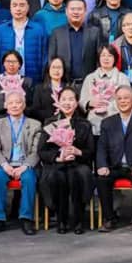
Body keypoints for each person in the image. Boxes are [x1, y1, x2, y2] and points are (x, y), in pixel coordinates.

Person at [37, 87, 95, 234]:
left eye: (71, 99)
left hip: (78, 163)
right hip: (57, 163)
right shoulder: (50, 123)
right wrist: (59, 156)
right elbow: (42, 151)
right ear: (58, 102)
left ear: (76, 103)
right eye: (64, 99)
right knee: (58, 176)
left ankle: (78, 220)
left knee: (79, 175)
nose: (67, 103)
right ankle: (61, 219)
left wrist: (78, 151)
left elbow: (91, 151)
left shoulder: (85, 124)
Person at [96, 86, 132, 232]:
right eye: (119, 98)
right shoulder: (107, 122)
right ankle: (109, 219)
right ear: (115, 101)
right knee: (101, 179)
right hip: (114, 166)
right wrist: (102, 165)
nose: (123, 101)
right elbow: (101, 147)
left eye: (126, 98)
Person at [0, 91, 42, 235]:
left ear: (24, 105)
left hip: (25, 164)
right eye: (11, 103)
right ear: (5, 105)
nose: (14, 105)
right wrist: (4, 165)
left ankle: (26, 218)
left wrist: (25, 166)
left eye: (18, 102)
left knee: (29, 179)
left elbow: (36, 151)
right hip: (5, 163)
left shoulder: (35, 125)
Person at [0, 0, 48, 84]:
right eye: (14, 5)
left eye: (22, 5)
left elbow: (44, 57)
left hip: (33, 80)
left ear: (28, 7)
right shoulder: (1, 30)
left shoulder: (38, 29)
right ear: (10, 8)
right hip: (7, 82)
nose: (18, 9)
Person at [47, 0, 102, 82]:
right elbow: (51, 59)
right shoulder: (57, 33)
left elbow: (99, 60)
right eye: (72, 9)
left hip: (89, 83)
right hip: (64, 83)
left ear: (85, 12)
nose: (76, 12)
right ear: (66, 11)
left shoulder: (95, 32)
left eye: (79, 9)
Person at [81, 45, 131, 135]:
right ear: (98, 58)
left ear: (115, 58)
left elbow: (128, 101)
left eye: (110, 55)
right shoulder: (90, 78)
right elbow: (82, 101)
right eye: (103, 55)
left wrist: (108, 106)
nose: (106, 58)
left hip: (116, 124)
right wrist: (89, 103)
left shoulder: (122, 78)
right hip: (93, 125)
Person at [0, 51, 33, 121]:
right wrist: (5, 105)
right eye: (8, 61)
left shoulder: (27, 81)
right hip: (0, 119)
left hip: (22, 119)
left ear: (20, 64)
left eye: (14, 61)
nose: (11, 64)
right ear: (3, 63)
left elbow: (31, 107)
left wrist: (19, 106)